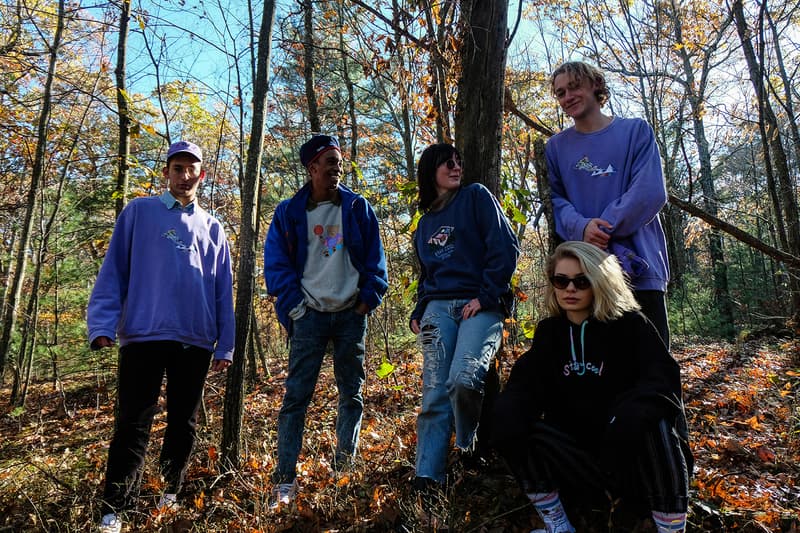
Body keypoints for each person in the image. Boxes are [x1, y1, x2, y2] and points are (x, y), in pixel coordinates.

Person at [492, 241, 692, 533]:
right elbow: (526, 384)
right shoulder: (550, 333)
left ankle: (671, 528)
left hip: (632, 459)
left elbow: (663, 380)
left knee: (656, 422)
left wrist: (625, 419)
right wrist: (508, 413)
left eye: (581, 281)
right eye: (561, 281)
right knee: (515, 422)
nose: (569, 289)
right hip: (577, 461)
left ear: (600, 281)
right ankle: (558, 524)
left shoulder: (631, 325)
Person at [87, 141, 235, 533]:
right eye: (177, 168)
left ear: (202, 175)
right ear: (166, 172)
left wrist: (226, 343)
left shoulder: (213, 227)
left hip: (195, 340)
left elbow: (223, 290)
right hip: (143, 334)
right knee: (133, 422)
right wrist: (102, 324)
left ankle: (170, 493)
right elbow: (114, 271)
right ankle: (114, 508)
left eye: (192, 169)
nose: (185, 176)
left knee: (183, 422)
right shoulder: (139, 213)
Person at [264, 134, 388, 508]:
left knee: (351, 394)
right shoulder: (288, 213)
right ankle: (285, 481)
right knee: (295, 399)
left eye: (339, 162)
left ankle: (343, 469)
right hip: (310, 318)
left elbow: (376, 264)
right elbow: (276, 266)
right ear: (312, 168)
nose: (336, 169)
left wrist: (366, 302)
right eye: (329, 162)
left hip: (351, 315)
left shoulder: (357, 208)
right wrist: (297, 310)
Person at [409, 143, 520, 490]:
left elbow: (505, 247)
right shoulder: (424, 226)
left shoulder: (476, 197)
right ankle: (427, 476)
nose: (456, 168)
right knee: (434, 394)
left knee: (464, 378)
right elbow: (427, 277)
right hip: (437, 309)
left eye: (459, 162)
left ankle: (467, 444)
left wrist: (485, 295)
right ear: (431, 172)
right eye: (448, 164)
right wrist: (419, 308)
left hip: (481, 304)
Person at [546, 61, 671, 347]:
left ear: (596, 86)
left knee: (654, 364)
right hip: (584, 277)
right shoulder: (555, 148)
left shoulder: (636, 131)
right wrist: (582, 227)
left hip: (638, 268)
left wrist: (602, 227)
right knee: (597, 369)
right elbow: (555, 200)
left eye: (574, 87)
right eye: (561, 92)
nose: (567, 97)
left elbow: (650, 191)